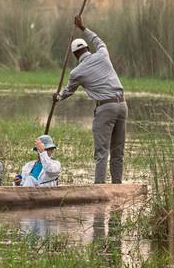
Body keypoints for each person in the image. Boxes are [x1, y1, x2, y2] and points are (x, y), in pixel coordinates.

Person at [55, 16, 128, 184]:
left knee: (102, 153)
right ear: (88, 49)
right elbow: (98, 40)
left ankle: (99, 188)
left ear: (75, 55)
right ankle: (117, 186)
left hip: (106, 108)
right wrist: (83, 28)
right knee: (118, 152)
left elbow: (68, 92)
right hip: (122, 105)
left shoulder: (76, 73)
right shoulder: (102, 53)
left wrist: (57, 98)